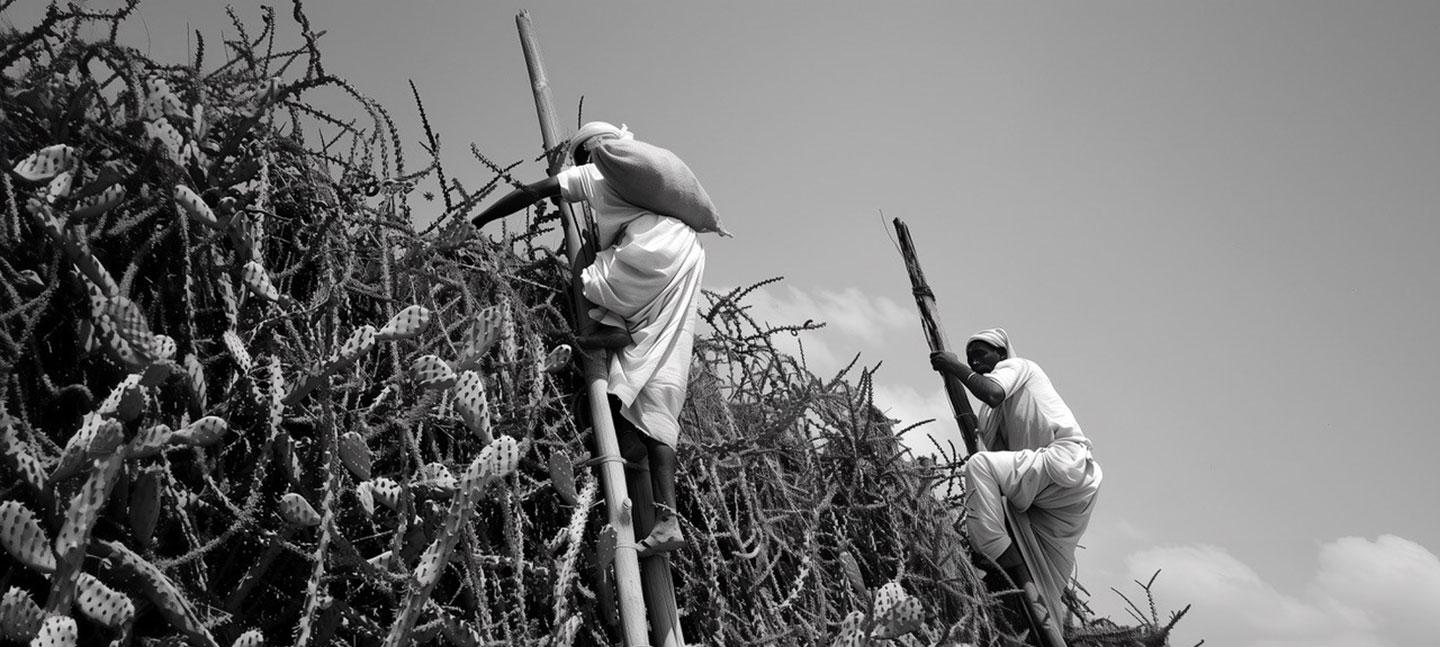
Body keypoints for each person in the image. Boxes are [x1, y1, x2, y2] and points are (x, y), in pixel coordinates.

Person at [472, 122, 708, 556]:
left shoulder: (597, 171)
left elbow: (532, 191)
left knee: (592, 276)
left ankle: (611, 329)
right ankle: (667, 516)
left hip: (651, 251)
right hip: (685, 255)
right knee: (657, 372)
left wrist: (478, 220)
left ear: (587, 154)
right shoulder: (647, 191)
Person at [930, 328, 1101, 634]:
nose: (976, 362)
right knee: (1045, 592)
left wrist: (953, 365)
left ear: (1002, 354)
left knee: (979, 465)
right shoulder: (993, 415)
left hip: (1061, 462)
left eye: (981, 354)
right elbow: (999, 465)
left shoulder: (1018, 367)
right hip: (1046, 493)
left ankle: (998, 555)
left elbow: (992, 392)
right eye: (970, 358)